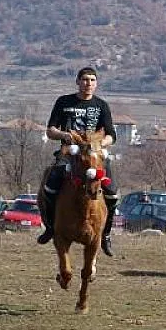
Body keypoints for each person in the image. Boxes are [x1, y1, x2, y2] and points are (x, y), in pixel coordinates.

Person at [37, 67, 119, 256]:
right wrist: (65, 135)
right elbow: (50, 131)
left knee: (113, 194)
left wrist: (99, 143)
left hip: (94, 156)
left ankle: (105, 234)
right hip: (68, 153)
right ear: (77, 81)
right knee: (49, 187)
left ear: (96, 83)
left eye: (92, 80)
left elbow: (111, 135)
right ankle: (50, 227)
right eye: (84, 79)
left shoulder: (101, 106)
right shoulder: (64, 102)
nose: (88, 83)